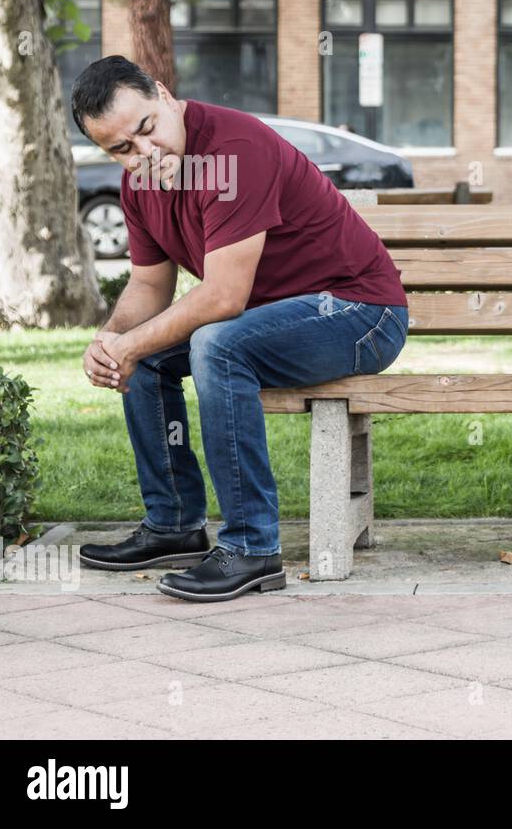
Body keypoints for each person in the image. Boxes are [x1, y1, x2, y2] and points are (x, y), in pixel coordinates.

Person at [71, 55, 409, 602]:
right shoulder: (141, 186)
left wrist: (133, 341)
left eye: (147, 128)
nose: (144, 153)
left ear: (163, 94)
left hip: (359, 313)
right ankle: (174, 524)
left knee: (217, 343)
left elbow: (225, 297)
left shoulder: (232, 152)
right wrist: (112, 343)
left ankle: (252, 548)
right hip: (271, 319)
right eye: (122, 149)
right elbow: (147, 289)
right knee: (150, 357)